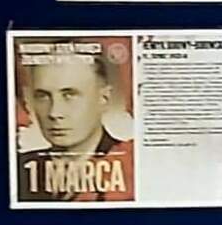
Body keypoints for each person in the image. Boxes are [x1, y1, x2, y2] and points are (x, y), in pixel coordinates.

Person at [16, 48, 134, 202]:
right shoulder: (17, 168)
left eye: (70, 95)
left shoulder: (133, 166)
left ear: (103, 98)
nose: (54, 112)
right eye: (43, 96)